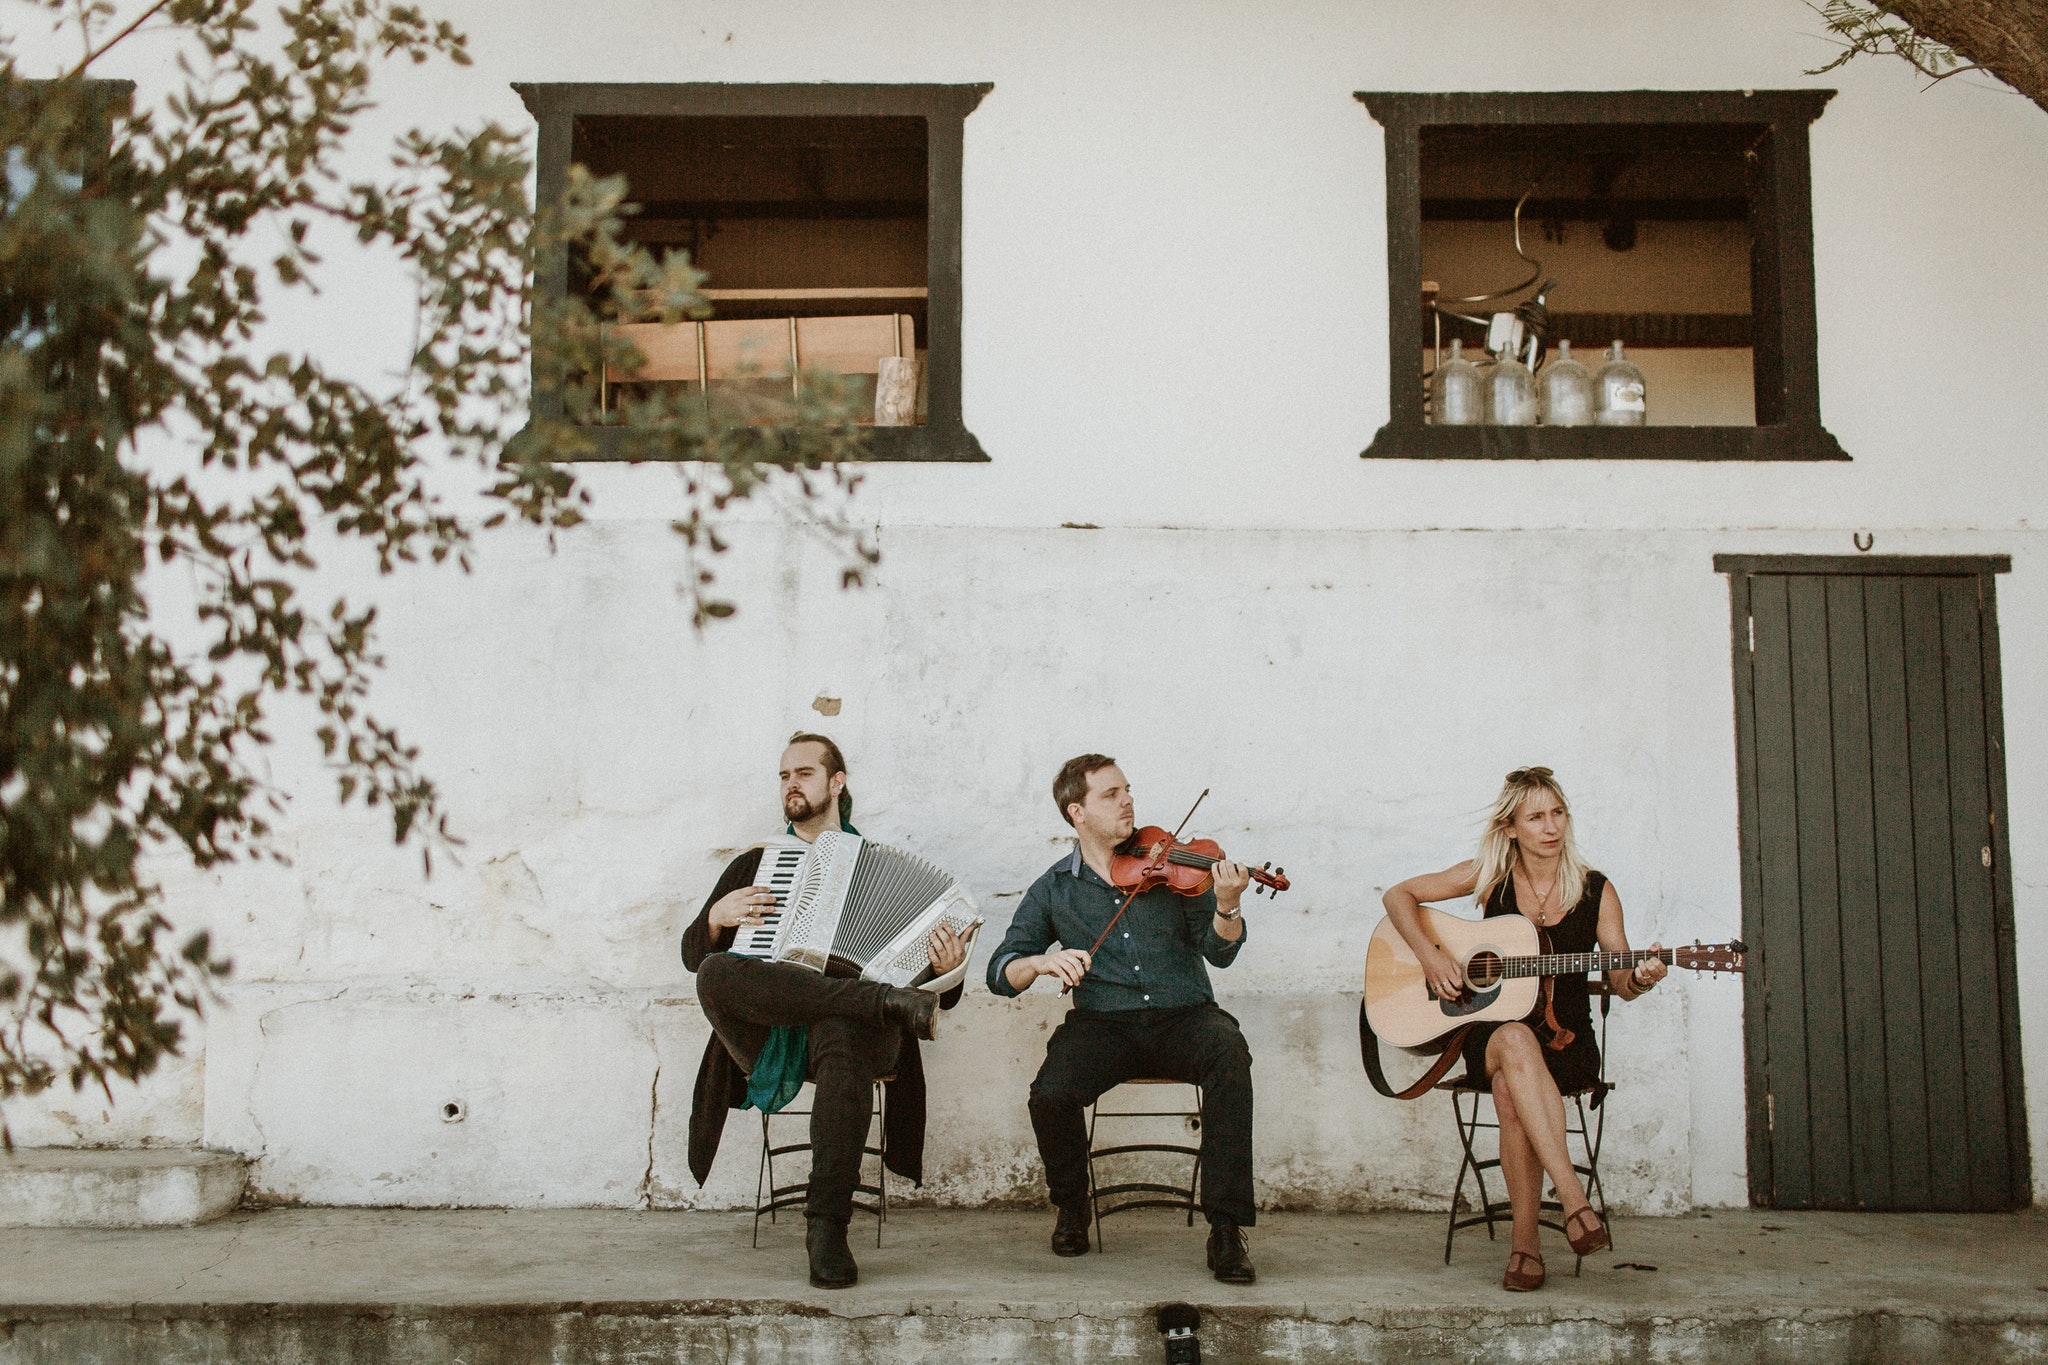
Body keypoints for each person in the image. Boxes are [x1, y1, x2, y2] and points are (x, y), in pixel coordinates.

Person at [682, 732, 968, 1290]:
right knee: (719, 973)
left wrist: (943, 966)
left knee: (840, 1027)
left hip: (854, 1043)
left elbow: (945, 995)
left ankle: (827, 1230)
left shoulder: (879, 868)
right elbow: (696, 958)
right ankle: (876, 1000)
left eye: (804, 773)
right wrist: (716, 918)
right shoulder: (755, 864)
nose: (791, 784)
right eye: (784, 775)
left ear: (837, 783)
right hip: (771, 1037)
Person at [1381, 766, 1667, 1292]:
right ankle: (1575, 1200)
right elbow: (1397, 896)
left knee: (1512, 1091)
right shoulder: (1490, 875)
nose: (1551, 826)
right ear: (1511, 826)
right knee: (1512, 1037)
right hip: (1492, 1037)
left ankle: (1526, 1248)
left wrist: (1642, 978)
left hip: (1567, 1045)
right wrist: (1430, 958)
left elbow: (1622, 980)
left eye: (1558, 813)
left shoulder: (1595, 891)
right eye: (1536, 816)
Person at [987, 754, 1260, 1284]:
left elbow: (1220, 953)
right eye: (1111, 794)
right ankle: (1071, 1206)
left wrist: (1227, 906)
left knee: (1230, 1053)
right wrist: (1042, 962)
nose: (1127, 800)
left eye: (1127, 789)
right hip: (1103, 1025)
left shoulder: (1175, 867)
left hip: (1184, 1016)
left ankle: (1226, 1229)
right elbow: (1001, 971)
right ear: (1077, 812)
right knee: (1050, 1093)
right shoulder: (1054, 889)